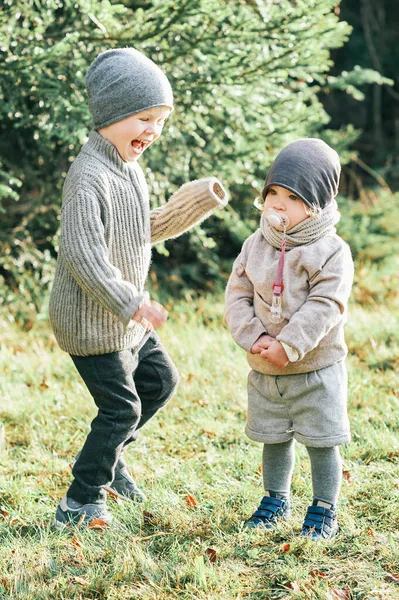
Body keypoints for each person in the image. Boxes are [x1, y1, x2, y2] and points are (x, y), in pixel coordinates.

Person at [49, 48, 228, 528]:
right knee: (121, 407)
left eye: (161, 121)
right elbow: (84, 257)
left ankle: (110, 459)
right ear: (110, 114)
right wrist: (134, 302)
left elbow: (137, 229)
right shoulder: (88, 178)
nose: (153, 131)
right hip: (91, 321)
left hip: (127, 317)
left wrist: (191, 205)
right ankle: (79, 501)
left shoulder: (127, 169)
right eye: (144, 118)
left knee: (160, 382)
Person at [224, 139, 354, 540]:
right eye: (272, 194)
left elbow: (325, 305)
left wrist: (289, 345)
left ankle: (324, 508)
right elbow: (237, 293)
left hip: (316, 369)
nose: (277, 204)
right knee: (274, 437)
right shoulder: (255, 244)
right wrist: (254, 337)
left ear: (315, 204)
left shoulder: (330, 251)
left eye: (292, 197)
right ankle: (275, 499)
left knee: (321, 441)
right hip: (266, 369)